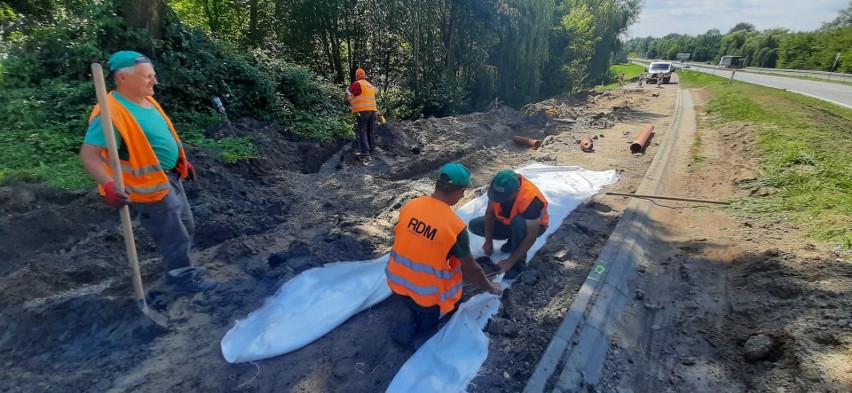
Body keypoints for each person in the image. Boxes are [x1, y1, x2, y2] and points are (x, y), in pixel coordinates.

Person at [80, 50, 217, 292]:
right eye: (147, 76)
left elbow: (159, 138)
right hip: (146, 185)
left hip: (169, 176)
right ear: (123, 78)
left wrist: (179, 161)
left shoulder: (147, 100)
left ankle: (180, 268)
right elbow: (89, 156)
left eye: (153, 75)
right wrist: (109, 184)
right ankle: (182, 277)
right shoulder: (110, 114)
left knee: (186, 224)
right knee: (173, 232)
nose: (154, 81)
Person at [386, 163, 502, 349]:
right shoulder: (453, 228)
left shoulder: (411, 206)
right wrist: (490, 287)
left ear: (437, 184)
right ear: (460, 191)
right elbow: (471, 269)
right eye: (463, 191)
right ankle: (424, 333)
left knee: (413, 303)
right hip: (426, 296)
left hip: (397, 283)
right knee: (440, 306)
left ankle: (412, 321)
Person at [468, 170, 549, 280]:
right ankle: (513, 240)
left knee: (519, 222)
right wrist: (488, 240)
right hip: (507, 221)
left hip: (534, 227)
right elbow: (490, 213)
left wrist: (510, 261)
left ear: (516, 191)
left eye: (503, 197)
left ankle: (517, 266)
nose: (499, 200)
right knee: (474, 225)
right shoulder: (497, 190)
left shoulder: (531, 199)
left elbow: (531, 237)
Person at [344, 68, 377, 160]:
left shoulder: (357, 84)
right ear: (364, 75)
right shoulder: (370, 85)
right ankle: (371, 149)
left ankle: (365, 152)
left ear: (357, 76)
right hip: (373, 111)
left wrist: (347, 97)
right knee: (369, 130)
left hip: (363, 111)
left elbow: (348, 96)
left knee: (362, 130)